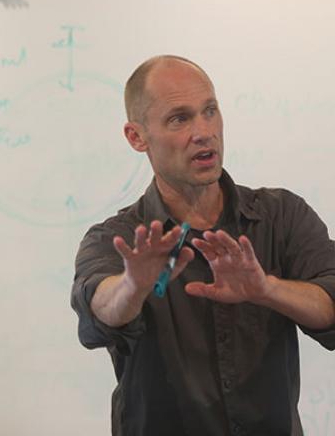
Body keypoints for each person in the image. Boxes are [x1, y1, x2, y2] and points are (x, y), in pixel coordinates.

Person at [70, 55, 335, 436]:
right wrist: (134, 284)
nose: (204, 131)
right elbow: (97, 308)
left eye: (209, 111)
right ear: (136, 136)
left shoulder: (282, 216)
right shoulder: (118, 238)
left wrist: (267, 289)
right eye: (180, 118)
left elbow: (330, 300)